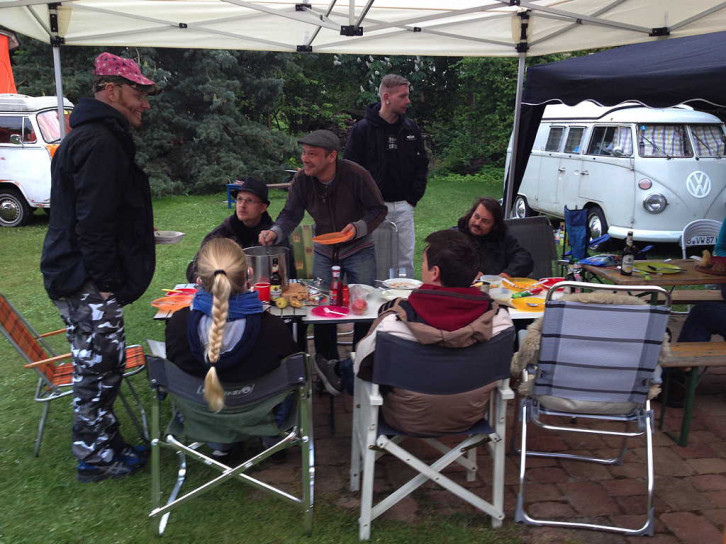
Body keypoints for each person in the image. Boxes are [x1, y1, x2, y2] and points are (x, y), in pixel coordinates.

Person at [39, 52, 158, 483]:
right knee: (98, 368)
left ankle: (109, 444)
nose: (145, 103)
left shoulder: (92, 135)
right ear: (110, 90)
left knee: (105, 364)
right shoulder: (100, 141)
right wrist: (106, 283)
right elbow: (92, 222)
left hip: (78, 271)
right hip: (85, 277)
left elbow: (96, 209)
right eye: (137, 93)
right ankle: (94, 458)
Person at [334, 229, 513, 434]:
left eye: (423, 264)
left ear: (435, 272)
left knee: (354, 366)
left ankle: (337, 371)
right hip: (469, 415)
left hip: (405, 417)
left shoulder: (394, 323)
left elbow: (362, 366)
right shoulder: (499, 320)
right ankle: (338, 369)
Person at [259, 129, 387, 369]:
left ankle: (360, 362)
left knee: (365, 307)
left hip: (359, 248)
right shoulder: (302, 180)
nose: (305, 159)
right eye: (304, 153)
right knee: (320, 306)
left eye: (312, 154)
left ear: (331, 156)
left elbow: (379, 210)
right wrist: (275, 231)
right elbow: (291, 214)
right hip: (324, 251)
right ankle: (325, 362)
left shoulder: (356, 175)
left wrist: (358, 227)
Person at [166, 238, 298, 459]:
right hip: (264, 420)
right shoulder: (273, 329)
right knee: (291, 378)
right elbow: (293, 378)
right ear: (249, 275)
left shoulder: (178, 325)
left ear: (198, 280)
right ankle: (273, 441)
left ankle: (221, 443)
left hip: (204, 420)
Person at [344, 74, 429, 279]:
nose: (408, 101)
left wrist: (413, 197)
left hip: (404, 206)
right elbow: (350, 170)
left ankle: (403, 296)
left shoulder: (410, 128)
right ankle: (373, 296)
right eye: (403, 96)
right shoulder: (363, 129)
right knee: (374, 258)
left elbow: (422, 164)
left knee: (405, 259)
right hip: (372, 209)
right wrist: (363, 202)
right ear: (386, 97)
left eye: (408, 95)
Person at [185, 177, 294, 282]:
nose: (242, 205)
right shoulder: (222, 233)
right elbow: (194, 268)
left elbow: (289, 272)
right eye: (239, 199)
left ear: (263, 207)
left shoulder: (273, 236)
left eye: (249, 200)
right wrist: (200, 278)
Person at [456, 197, 533, 278]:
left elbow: (524, 259)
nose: (477, 223)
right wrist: (468, 272)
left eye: (485, 221)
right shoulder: (455, 236)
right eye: (476, 216)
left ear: (495, 226)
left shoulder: (502, 239)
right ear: (471, 214)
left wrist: (506, 275)